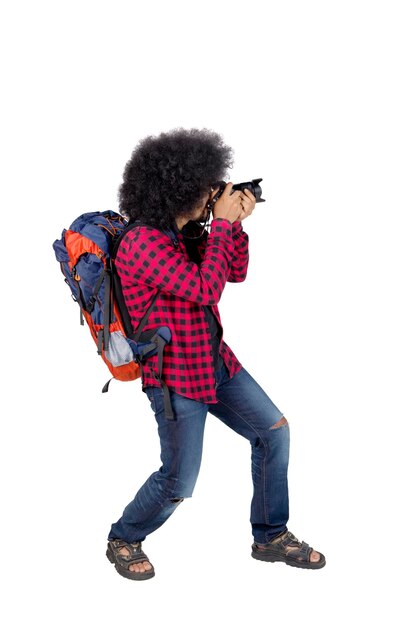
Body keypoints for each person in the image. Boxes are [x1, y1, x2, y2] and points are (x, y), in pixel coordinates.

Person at [105, 128, 326, 580]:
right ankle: (124, 536)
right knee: (179, 481)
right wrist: (223, 225)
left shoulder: (181, 233)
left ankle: (269, 536)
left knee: (274, 433)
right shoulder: (143, 243)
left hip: (213, 362)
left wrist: (234, 225)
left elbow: (236, 272)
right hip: (175, 377)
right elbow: (205, 287)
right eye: (207, 187)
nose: (213, 195)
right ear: (177, 187)